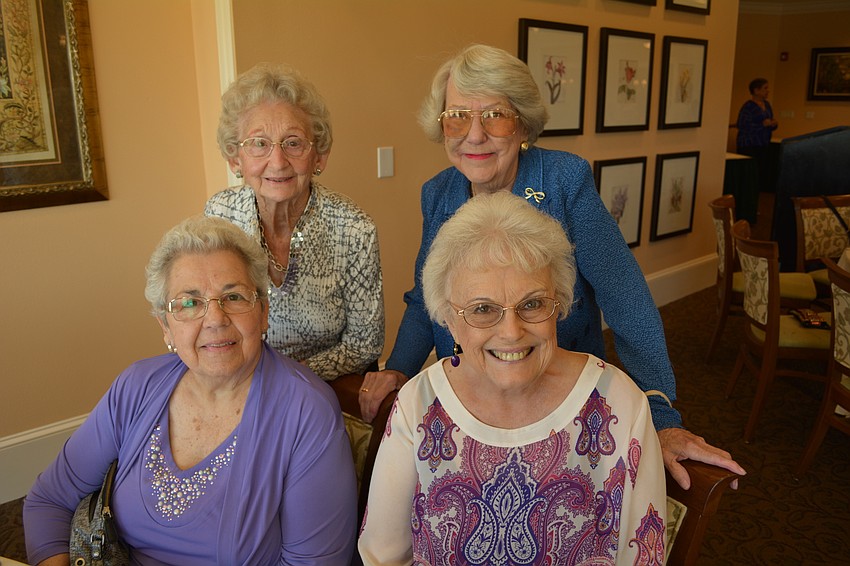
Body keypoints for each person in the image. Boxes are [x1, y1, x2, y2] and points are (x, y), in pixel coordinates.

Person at [359, 43, 745, 489]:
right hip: (469, 396)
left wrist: (660, 414)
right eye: (457, 116)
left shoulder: (564, 182)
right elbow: (427, 300)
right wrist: (400, 369)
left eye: (495, 115)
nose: (474, 135)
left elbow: (626, 298)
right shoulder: (439, 193)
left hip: (559, 395)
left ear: (522, 123)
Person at [24, 216, 357, 565]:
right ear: (165, 326)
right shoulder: (137, 387)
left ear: (263, 313)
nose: (214, 319)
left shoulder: (306, 411)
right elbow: (49, 500)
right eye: (189, 303)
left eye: (233, 296)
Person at [358, 191, 668, 564]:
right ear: (450, 320)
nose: (511, 332)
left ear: (560, 304)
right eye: (483, 309)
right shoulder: (418, 404)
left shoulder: (620, 404)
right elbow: (383, 556)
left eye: (532, 304)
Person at [205, 62, 384, 382]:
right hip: (240, 381)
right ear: (235, 159)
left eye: (293, 142)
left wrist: (286, 379)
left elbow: (364, 346)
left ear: (319, 157)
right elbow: (213, 316)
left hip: (321, 389)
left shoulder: (353, 230)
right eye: (259, 143)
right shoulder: (221, 217)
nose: (278, 161)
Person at [736, 77, 779, 193]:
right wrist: (762, 125)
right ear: (756, 90)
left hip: (763, 143)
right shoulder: (748, 106)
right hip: (749, 144)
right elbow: (742, 125)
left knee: (761, 172)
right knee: (750, 174)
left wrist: (773, 123)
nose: (767, 91)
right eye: (765, 88)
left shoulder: (767, 105)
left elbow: (770, 122)